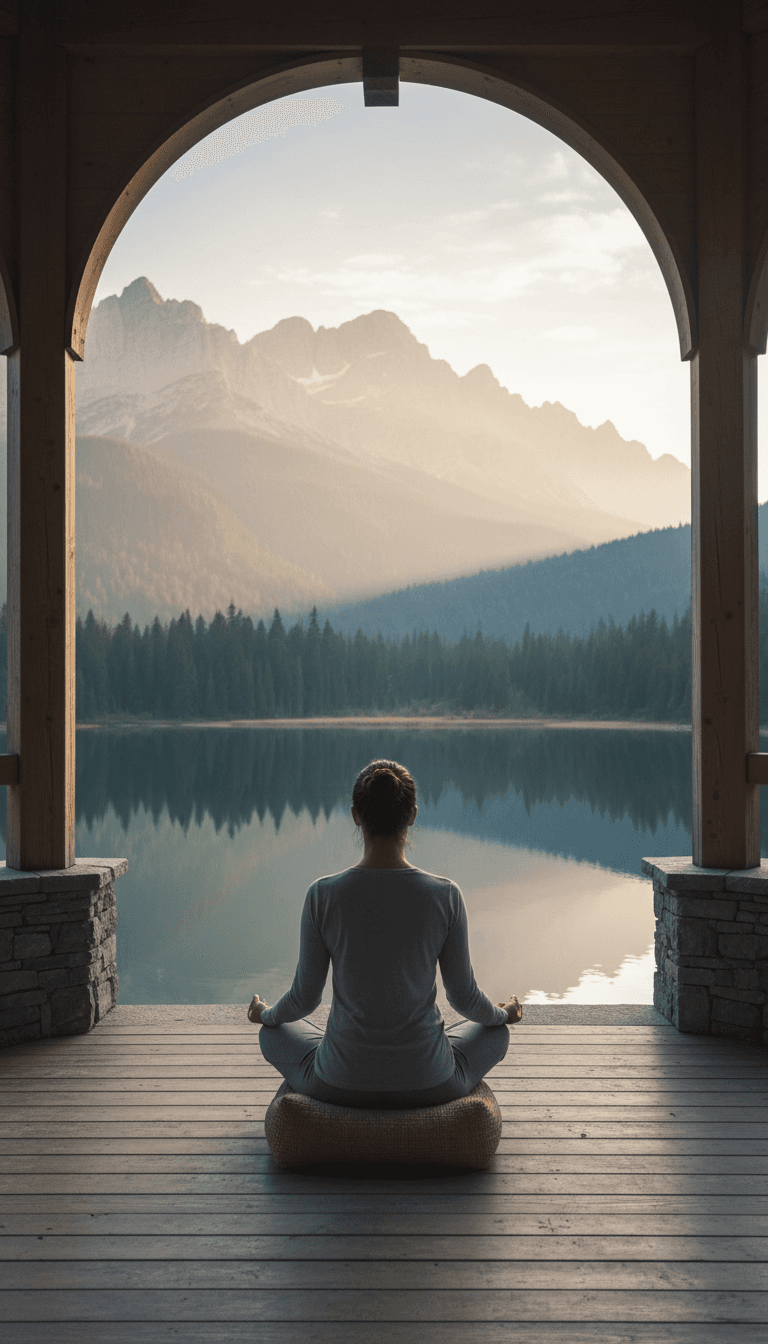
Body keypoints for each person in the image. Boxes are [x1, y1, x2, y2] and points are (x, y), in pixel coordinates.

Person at [248, 758, 522, 1109]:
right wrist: (505, 1015)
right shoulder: (445, 895)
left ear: (355, 815)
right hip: (431, 1082)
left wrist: (265, 1014)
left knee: (272, 1034)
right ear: (412, 815)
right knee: (494, 1034)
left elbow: (304, 1000)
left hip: (338, 1082)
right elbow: (464, 999)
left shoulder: (323, 895)